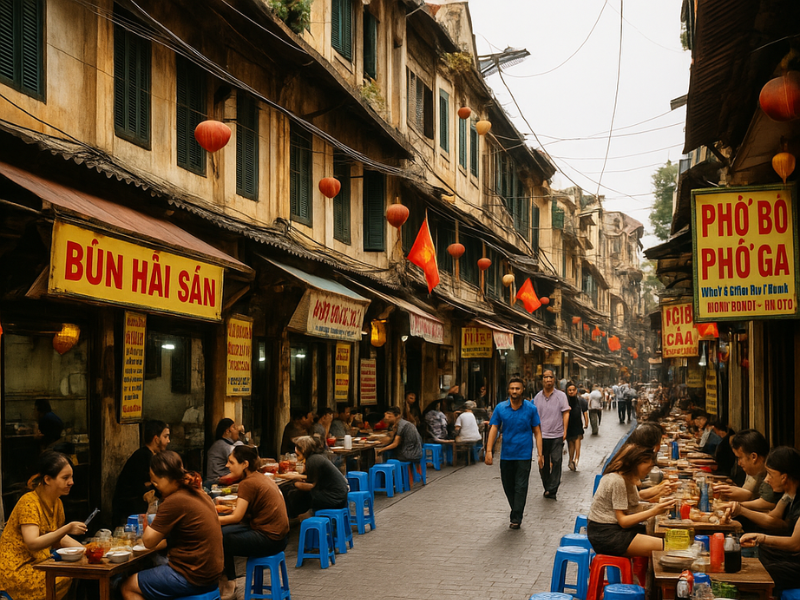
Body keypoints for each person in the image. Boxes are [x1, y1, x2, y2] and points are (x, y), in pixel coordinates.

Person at [121, 451, 223, 600]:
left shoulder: (174, 501)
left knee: (128, 586)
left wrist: (148, 513)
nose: (155, 486)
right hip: (212, 575)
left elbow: (148, 541)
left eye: (156, 482)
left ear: (167, 478)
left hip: (193, 576)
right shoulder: (199, 493)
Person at [0, 451, 87, 600]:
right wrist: (67, 528)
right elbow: (33, 543)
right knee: (66, 574)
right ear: (47, 479)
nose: (71, 482)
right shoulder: (29, 502)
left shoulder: (57, 502)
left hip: (40, 561)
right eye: (65, 478)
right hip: (18, 570)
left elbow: (57, 537)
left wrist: (86, 550)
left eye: (71, 477)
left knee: (80, 565)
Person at [217, 446, 289, 600]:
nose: (227, 465)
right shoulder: (259, 477)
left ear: (245, 464)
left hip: (270, 540)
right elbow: (241, 512)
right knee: (224, 530)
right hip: (280, 538)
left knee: (220, 536)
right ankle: (228, 580)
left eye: (231, 462)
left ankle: (229, 583)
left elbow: (236, 517)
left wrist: (212, 519)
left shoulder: (248, 483)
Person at [587, 445, 675, 557]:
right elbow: (623, 521)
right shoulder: (616, 481)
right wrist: (655, 510)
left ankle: (640, 572)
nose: (649, 471)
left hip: (612, 529)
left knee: (662, 535)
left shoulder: (627, 478)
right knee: (669, 546)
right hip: (606, 535)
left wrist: (658, 504)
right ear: (636, 463)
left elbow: (634, 505)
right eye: (648, 467)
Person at [740, 447, 800, 597]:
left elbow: (795, 544)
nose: (766, 479)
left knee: (760, 573)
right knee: (756, 553)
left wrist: (762, 538)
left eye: (770, 474)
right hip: (793, 556)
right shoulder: (789, 493)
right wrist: (739, 508)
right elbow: (774, 518)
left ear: (784, 477)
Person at [485, 378, 543, 529]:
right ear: (508, 390)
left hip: (524, 454)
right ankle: (516, 509)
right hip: (506, 454)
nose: (515, 391)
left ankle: (516, 517)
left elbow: (537, 432)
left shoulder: (531, 409)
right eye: (512, 388)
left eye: (517, 388)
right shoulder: (500, 408)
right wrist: (489, 450)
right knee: (508, 485)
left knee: (521, 486)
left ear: (522, 389)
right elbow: (494, 428)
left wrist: (540, 454)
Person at [716, 429, 782, 532]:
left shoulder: (771, 469)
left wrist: (738, 506)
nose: (738, 463)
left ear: (754, 457)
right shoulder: (759, 471)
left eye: (740, 458)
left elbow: (767, 504)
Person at [113, 419, 170, 526]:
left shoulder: (150, 456)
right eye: (165, 436)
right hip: (130, 514)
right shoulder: (143, 457)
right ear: (156, 439)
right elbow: (142, 486)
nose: (168, 441)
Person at [281, 436, 349, 519]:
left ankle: (293, 519)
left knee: (295, 494)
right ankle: (295, 518)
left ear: (303, 449)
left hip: (335, 498)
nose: (295, 451)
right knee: (296, 492)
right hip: (338, 494)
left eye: (297, 449)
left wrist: (295, 484)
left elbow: (311, 486)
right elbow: (313, 478)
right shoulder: (316, 457)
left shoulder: (313, 460)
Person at [533, 369, 571, 500]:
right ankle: (547, 486)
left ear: (554, 379)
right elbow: (534, 417)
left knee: (557, 461)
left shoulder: (561, 396)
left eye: (550, 377)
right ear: (542, 380)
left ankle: (552, 488)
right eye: (545, 377)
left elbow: (566, 413)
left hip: (557, 434)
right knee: (543, 462)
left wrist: (565, 430)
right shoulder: (537, 397)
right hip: (542, 436)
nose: (548, 379)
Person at [206, 418, 241, 485]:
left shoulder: (226, 444)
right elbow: (239, 464)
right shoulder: (222, 445)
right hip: (216, 481)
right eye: (234, 428)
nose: (237, 431)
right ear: (227, 431)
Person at [565, 384, 588, 471]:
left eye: (572, 390)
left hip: (578, 425)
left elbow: (585, 412)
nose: (571, 392)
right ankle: (571, 460)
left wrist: (586, 422)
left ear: (576, 391)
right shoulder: (565, 401)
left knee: (577, 441)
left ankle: (576, 460)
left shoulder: (581, 401)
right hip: (569, 426)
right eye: (569, 390)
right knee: (570, 444)